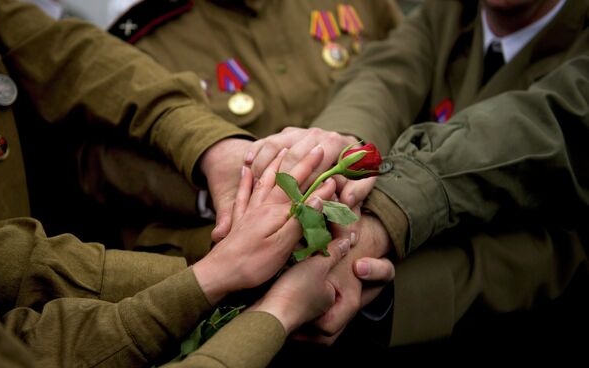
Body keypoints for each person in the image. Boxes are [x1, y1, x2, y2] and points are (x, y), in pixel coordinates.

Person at [0, 0, 395, 366]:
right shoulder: (144, 30)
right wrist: (220, 274)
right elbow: (90, 171)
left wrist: (216, 147)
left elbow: (66, 54)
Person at [246, 0, 589, 349]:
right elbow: (385, 76)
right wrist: (340, 149)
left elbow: (550, 128)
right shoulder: (453, 13)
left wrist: (383, 225)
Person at [65, 0, 403, 260]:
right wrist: (219, 184)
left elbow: (412, 88)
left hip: (388, 246)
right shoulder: (143, 39)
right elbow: (102, 167)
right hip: (247, 287)